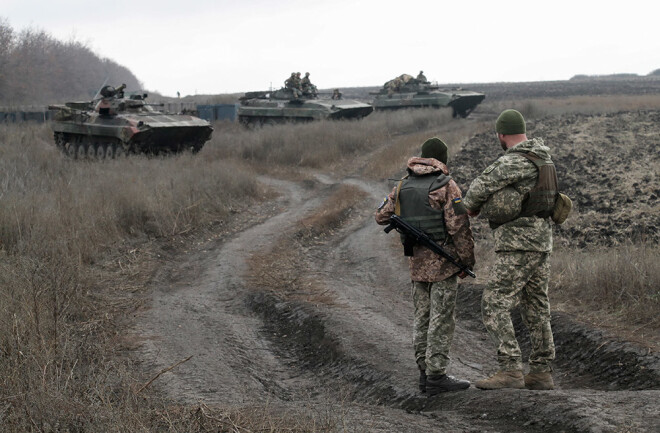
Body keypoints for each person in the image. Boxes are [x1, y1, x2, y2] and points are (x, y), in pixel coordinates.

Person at [463, 109, 557, 391]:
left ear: (502, 135)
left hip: (518, 244)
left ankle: (510, 369)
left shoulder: (514, 161)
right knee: (536, 306)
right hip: (541, 242)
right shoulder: (545, 158)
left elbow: (477, 189)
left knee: (493, 303)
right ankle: (541, 372)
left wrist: (472, 207)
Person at [375, 138, 475, 396]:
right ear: (443, 159)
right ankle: (437, 376)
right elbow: (459, 227)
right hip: (444, 265)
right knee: (441, 319)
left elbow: (380, 216)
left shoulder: (403, 184)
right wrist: (466, 261)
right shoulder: (446, 184)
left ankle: (424, 372)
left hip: (417, 265)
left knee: (422, 318)